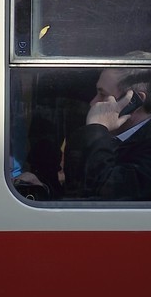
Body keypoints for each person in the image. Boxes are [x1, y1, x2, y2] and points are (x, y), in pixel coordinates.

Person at [57, 55, 151, 200]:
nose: (93, 102)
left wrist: (97, 128)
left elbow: (104, 193)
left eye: (102, 95)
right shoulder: (114, 139)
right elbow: (76, 194)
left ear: (134, 101)